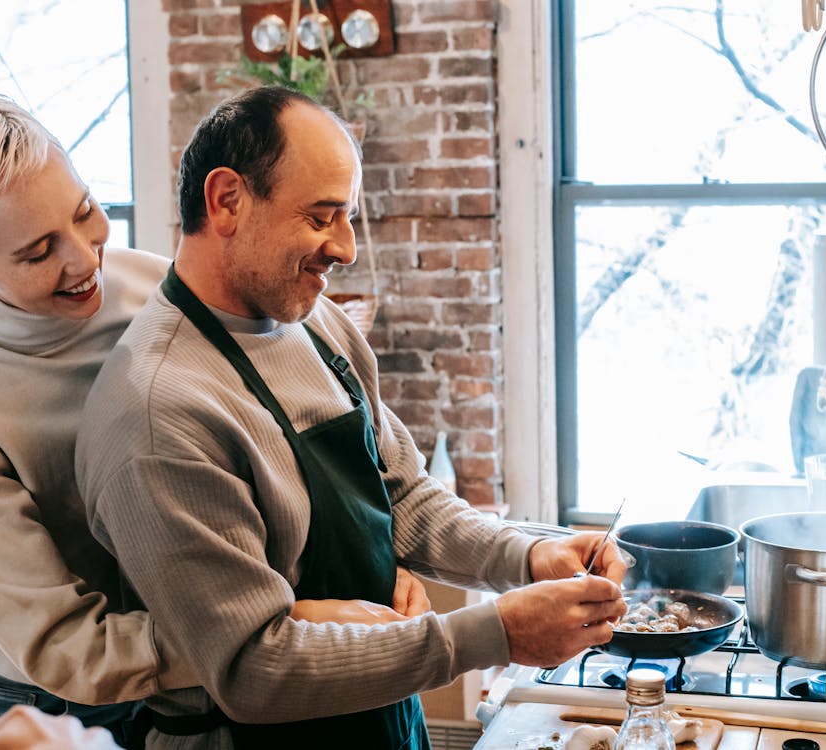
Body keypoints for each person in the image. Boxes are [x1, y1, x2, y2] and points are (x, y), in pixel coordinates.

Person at [75, 85, 628, 750]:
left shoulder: (318, 325)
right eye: (321, 216)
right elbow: (253, 669)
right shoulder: (159, 409)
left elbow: (403, 496)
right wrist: (496, 633)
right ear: (226, 201)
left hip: (381, 718)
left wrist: (530, 556)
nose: (346, 248)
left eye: (349, 217)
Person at [0, 92, 432, 750]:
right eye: (36, 253)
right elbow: (68, 646)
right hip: (40, 700)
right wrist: (268, 624)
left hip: (197, 668)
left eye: (85, 211)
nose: (85, 259)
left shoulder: (153, 284)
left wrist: (354, 570)